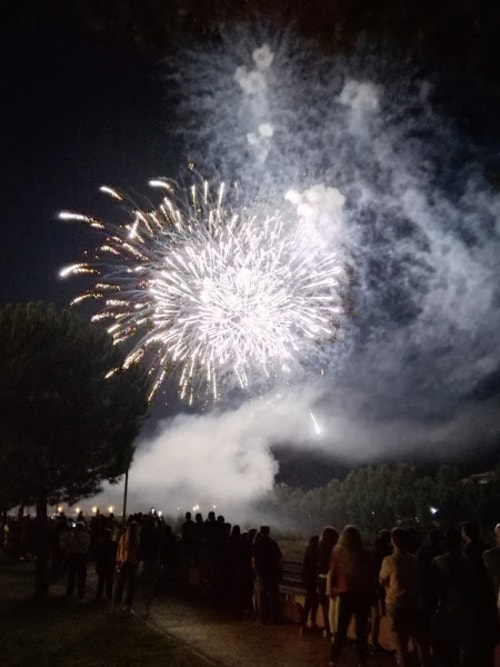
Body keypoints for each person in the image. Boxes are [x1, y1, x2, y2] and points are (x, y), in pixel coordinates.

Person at [379, 527, 431, 667]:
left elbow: (382, 579)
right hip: (414, 604)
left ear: (393, 541)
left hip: (396, 604)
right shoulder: (414, 560)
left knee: (400, 645)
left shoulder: (389, 561)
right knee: (420, 642)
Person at [328, 525, 373, 667]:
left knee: (341, 628)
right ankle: (361, 660)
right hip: (362, 593)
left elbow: (332, 571)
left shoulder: (337, 552)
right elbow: (369, 573)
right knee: (361, 630)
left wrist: (331, 590)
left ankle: (334, 657)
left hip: (345, 592)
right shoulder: (365, 553)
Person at [252, 525, 282, 624]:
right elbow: (279, 557)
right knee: (273, 596)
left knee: (262, 596)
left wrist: (256, 571)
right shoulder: (273, 543)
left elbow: (253, 558)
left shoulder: (258, 543)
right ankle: (273, 618)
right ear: (269, 532)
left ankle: (262, 618)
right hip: (272, 573)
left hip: (261, 573)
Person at [113, 521, 140, 614]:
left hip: (122, 563)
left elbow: (118, 550)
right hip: (131, 564)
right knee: (130, 587)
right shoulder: (135, 539)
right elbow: (132, 553)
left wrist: (118, 562)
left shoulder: (123, 537)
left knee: (120, 585)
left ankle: (116, 605)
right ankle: (127, 606)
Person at [61, 521, 90, 598]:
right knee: (82, 576)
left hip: (73, 556)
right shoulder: (86, 536)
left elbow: (66, 544)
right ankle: (80, 592)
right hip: (82, 557)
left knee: (71, 575)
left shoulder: (72, 536)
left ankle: (69, 591)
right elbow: (88, 546)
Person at [299, 535, 320, 634]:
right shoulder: (317, 553)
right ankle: (312, 622)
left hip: (308, 582)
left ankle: (302, 626)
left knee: (308, 604)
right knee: (314, 603)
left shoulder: (308, 551)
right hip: (315, 582)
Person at [94, 528, 117, 602]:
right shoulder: (113, 544)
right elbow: (115, 555)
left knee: (101, 580)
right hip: (109, 564)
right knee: (109, 581)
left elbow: (98, 555)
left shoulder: (100, 544)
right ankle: (108, 595)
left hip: (102, 564)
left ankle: (99, 595)